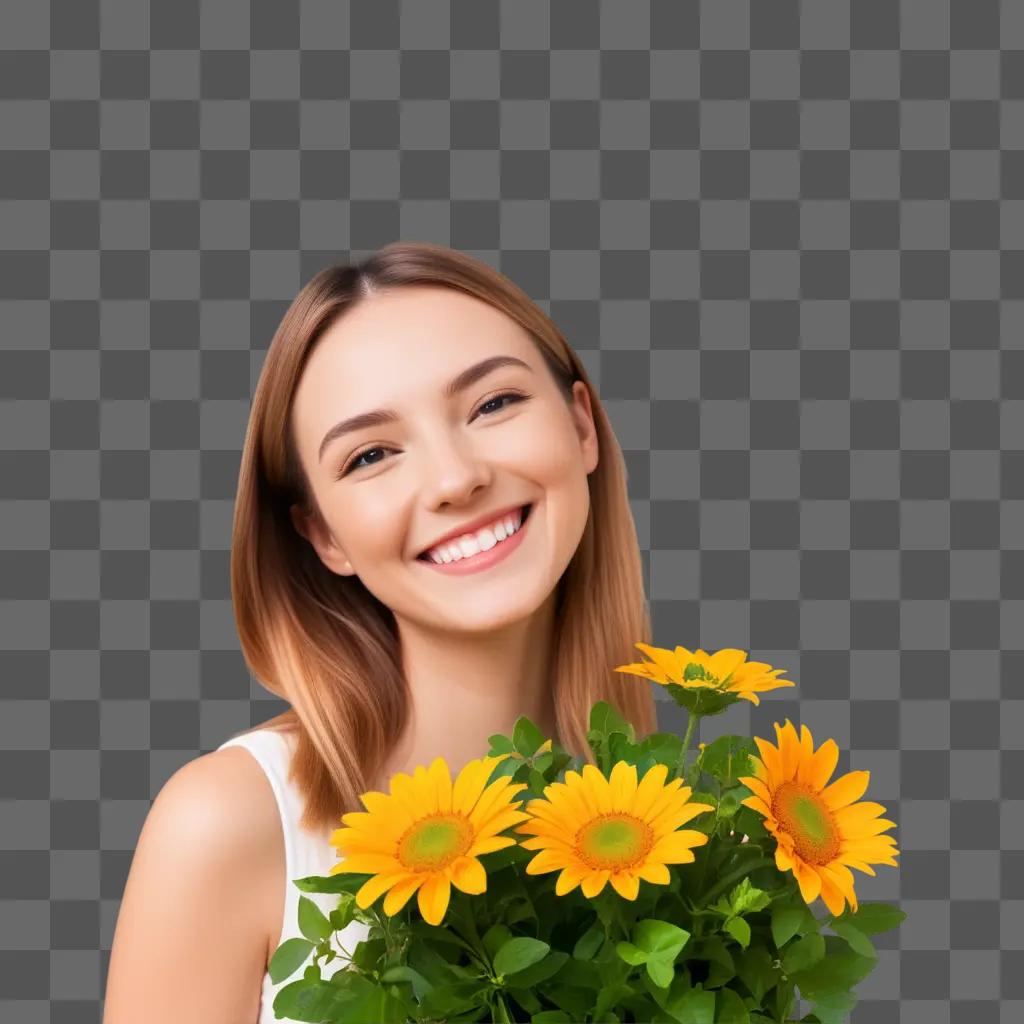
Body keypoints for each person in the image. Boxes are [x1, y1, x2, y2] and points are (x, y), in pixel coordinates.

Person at [102, 241, 657, 1023]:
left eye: (493, 404)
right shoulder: (230, 823)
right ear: (322, 534)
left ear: (581, 426)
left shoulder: (668, 825)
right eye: (371, 455)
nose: (455, 478)